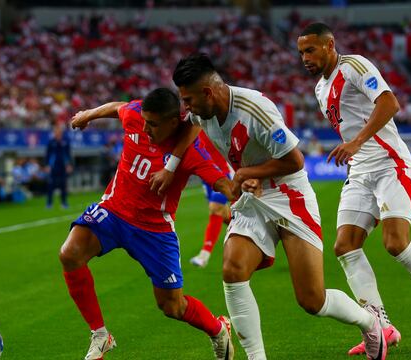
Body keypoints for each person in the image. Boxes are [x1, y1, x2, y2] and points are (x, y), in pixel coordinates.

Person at [157, 53, 387, 360]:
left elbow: (295, 161)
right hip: (253, 200)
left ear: (208, 93)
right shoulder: (202, 111)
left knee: (311, 300)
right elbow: (187, 131)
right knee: (232, 269)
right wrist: (171, 166)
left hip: (289, 195)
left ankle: (370, 323)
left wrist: (247, 173)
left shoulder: (255, 109)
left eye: (188, 100)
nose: (187, 108)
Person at [297, 22, 411, 355]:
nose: (305, 57)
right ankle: (381, 326)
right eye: (301, 52)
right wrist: (355, 148)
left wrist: (357, 142)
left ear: (330, 45)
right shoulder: (320, 89)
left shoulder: (355, 66)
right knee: (345, 246)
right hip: (360, 172)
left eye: (311, 49)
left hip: (391, 165)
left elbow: (389, 104)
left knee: (396, 244)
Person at [61, 88, 239, 360]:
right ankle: (100, 335)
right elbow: (117, 107)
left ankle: (218, 329)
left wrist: (241, 192)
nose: (145, 128)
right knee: (70, 253)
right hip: (114, 211)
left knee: (172, 306)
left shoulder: (190, 151)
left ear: (173, 122)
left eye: (153, 124)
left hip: (154, 231)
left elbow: (221, 182)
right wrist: (88, 114)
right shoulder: (136, 116)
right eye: (144, 121)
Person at [189, 130, 233, 268]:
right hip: (207, 175)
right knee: (223, 215)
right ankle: (255, 232)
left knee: (215, 208)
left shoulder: (213, 117)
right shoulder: (193, 121)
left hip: (225, 172)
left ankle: (204, 255)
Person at [45, 125, 73, 209]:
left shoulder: (65, 142)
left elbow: (68, 154)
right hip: (53, 167)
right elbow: (48, 155)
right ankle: (49, 203)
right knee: (50, 185)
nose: (57, 133)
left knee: (63, 185)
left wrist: (69, 165)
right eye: (56, 132)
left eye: (59, 132)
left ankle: (64, 203)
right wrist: (47, 165)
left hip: (63, 167)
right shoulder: (51, 142)